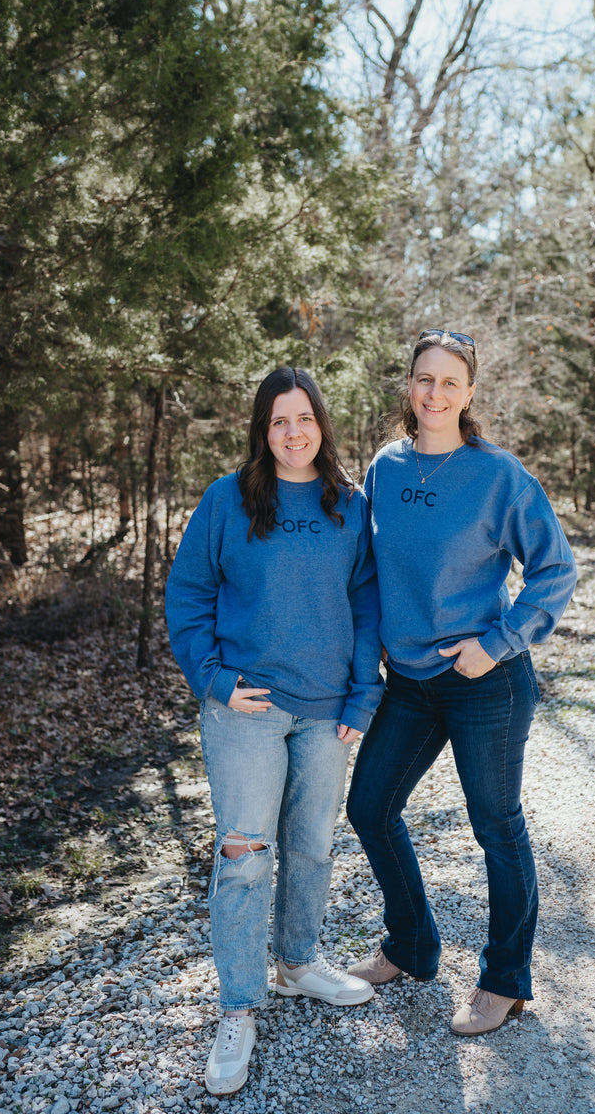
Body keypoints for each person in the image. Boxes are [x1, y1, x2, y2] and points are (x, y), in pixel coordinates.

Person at [345, 329, 577, 1036]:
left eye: (450, 382)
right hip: (410, 682)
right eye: (425, 378)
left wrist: (498, 642)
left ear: (469, 392)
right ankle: (411, 945)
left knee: (496, 826)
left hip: (486, 681)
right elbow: (368, 571)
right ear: (408, 385)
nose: (435, 393)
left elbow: (554, 570)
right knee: (370, 807)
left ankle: (504, 979)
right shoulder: (386, 467)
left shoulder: (499, 475)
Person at [165, 366, 383, 1096]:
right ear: (263, 429)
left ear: (322, 424)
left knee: (311, 844)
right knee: (245, 853)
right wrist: (214, 678)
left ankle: (297, 963)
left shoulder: (348, 504)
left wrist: (363, 694)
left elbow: (366, 604)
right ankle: (237, 1006)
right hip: (246, 710)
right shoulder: (227, 500)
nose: (294, 432)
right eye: (279, 420)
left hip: (326, 709)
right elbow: (187, 594)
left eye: (305, 418)